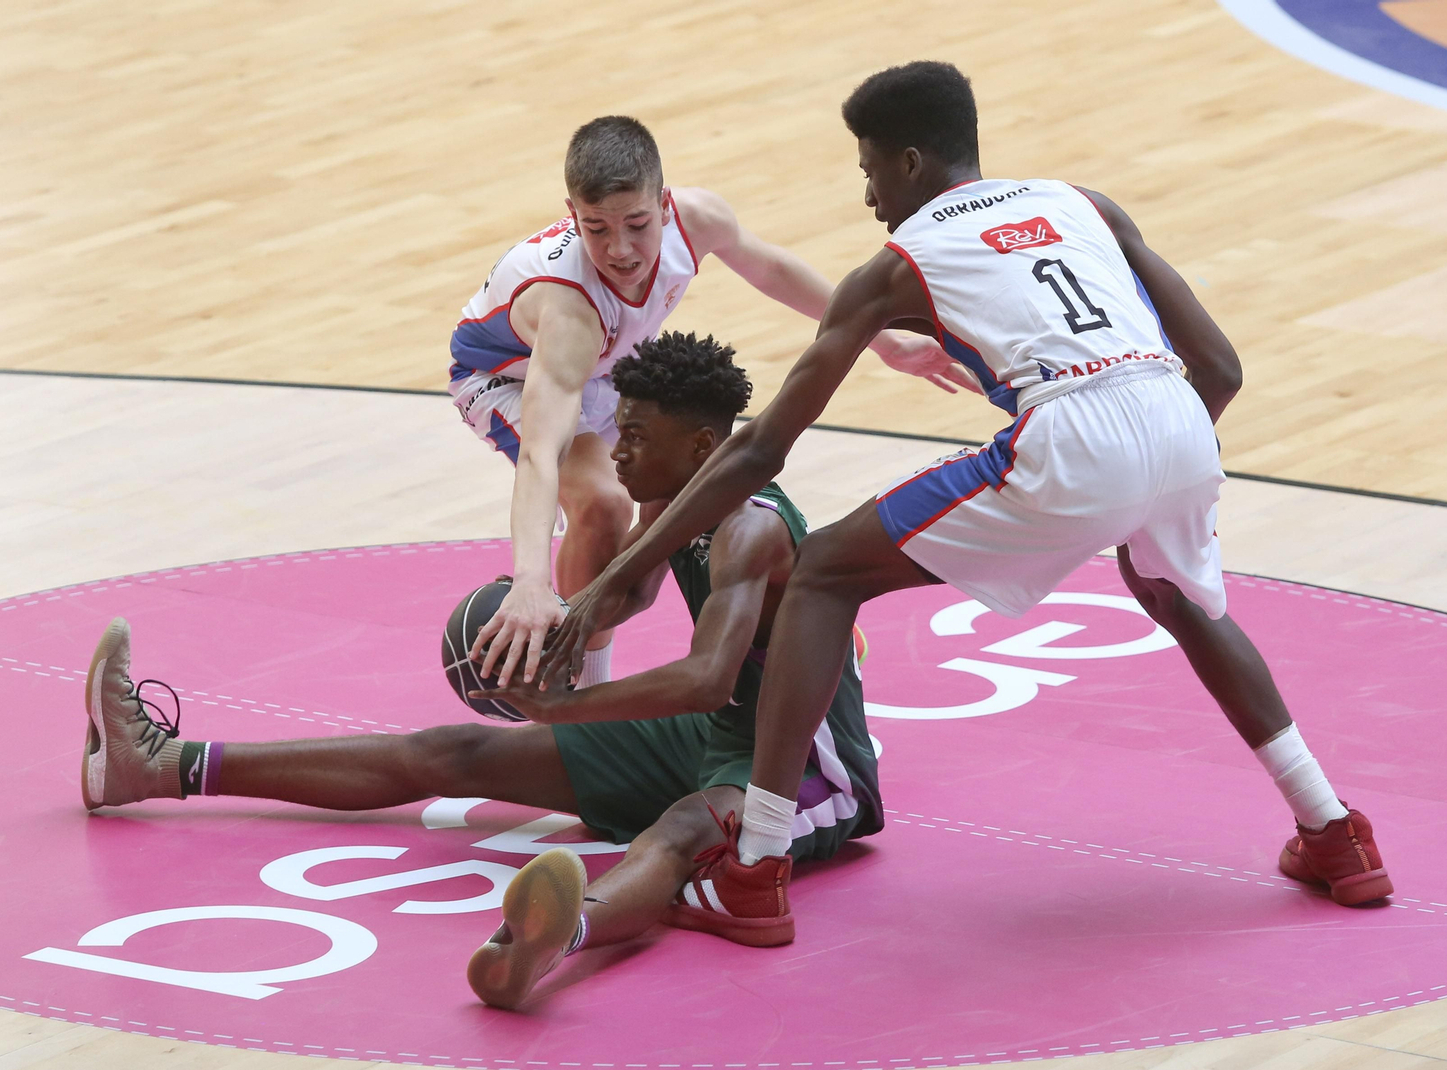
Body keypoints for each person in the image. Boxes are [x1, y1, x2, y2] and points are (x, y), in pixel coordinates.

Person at [547, 61, 1393, 931]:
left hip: (1070, 430)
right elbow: (1222, 367)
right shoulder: (1085, 205)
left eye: (871, 169)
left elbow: (762, 446)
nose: (870, 194)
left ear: (910, 162)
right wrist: (1146, 485)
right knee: (1183, 598)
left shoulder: (894, 266)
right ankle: (1334, 830)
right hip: (1177, 416)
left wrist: (625, 570)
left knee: (826, 569)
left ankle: (756, 864)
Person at [78, 332, 882, 1009]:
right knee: (452, 753)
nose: (618, 449)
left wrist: (570, 705)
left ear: (702, 448)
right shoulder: (674, 495)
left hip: (802, 763)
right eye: (620, 430)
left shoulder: (752, 530)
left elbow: (708, 676)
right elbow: (632, 588)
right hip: (712, 734)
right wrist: (543, 632)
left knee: (676, 834)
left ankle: (547, 940)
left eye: (637, 436)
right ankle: (157, 767)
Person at [452, 115, 977, 694]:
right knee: (602, 501)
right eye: (595, 228)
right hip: (505, 377)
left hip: (604, 370)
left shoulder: (696, 218)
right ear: (571, 213)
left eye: (636, 223)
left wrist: (886, 340)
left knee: (710, 470)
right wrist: (530, 578)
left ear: (666, 203)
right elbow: (539, 456)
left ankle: (786, 609)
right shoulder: (568, 310)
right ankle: (579, 684)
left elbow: (772, 268)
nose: (619, 248)